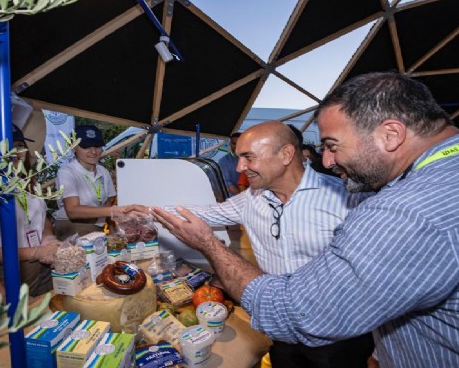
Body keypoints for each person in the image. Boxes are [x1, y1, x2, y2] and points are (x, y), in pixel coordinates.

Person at [152, 72, 459, 367]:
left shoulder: (402, 210)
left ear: (391, 134)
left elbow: (296, 312)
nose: (327, 161)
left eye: (331, 145)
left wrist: (208, 243)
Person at [158, 121, 374, 368]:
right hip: (280, 329)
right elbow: (203, 213)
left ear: (285, 154)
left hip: (337, 335)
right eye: (239, 157)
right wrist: (142, 211)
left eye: (248, 157)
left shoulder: (348, 199)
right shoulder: (250, 200)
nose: (240, 167)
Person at [0, 126, 60, 297]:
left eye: (19, 145)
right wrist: (35, 252)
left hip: (41, 267)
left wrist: (48, 240)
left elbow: (42, 220)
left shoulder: (27, 182)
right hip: (5, 273)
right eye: (4, 146)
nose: (13, 151)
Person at [53, 125, 142, 239]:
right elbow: (72, 211)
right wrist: (114, 211)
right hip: (72, 228)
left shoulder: (103, 171)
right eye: (86, 147)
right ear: (73, 147)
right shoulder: (67, 172)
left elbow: (108, 203)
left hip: (98, 229)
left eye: (97, 146)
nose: (93, 151)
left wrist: (113, 232)